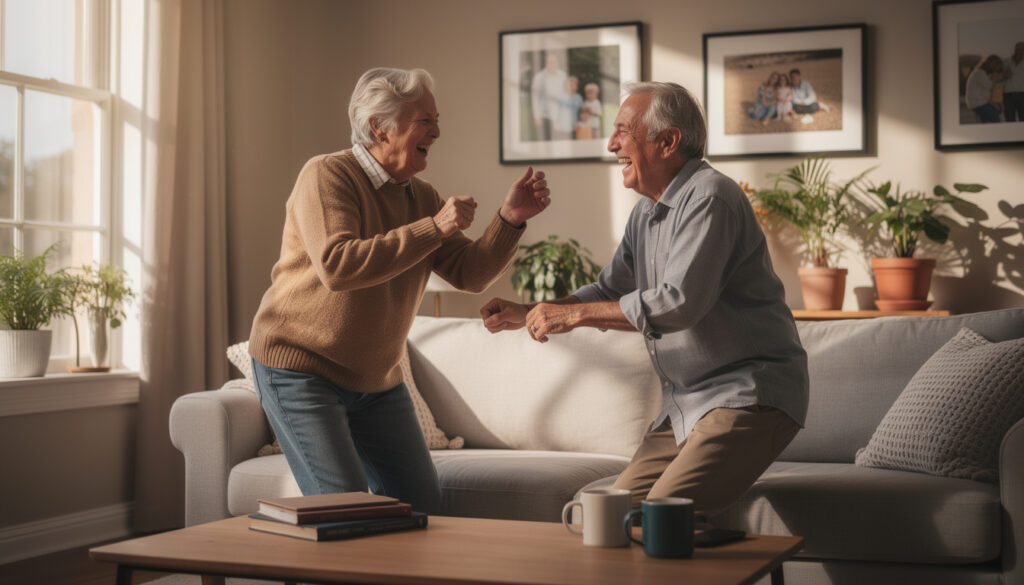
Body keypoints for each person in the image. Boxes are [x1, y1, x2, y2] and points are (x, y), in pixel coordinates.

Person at [480, 81, 808, 522]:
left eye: (622, 131)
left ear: (668, 141)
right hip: (687, 403)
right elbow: (609, 290)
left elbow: (679, 303)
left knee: (656, 520)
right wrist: (529, 312)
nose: (611, 144)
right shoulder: (645, 213)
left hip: (747, 396)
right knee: (602, 519)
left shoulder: (711, 197)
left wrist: (573, 315)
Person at [248, 67, 551, 515]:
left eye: (436, 120)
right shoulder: (327, 175)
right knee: (344, 512)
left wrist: (510, 219)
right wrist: (435, 227)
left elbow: (469, 274)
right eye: (425, 120)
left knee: (422, 510)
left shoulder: (421, 197)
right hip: (301, 370)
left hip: (376, 381)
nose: (437, 131)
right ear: (380, 127)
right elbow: (338, 264)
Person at [531, 52, 568, 140]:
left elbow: (565, 94)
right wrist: (537, 116)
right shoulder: (539, 77)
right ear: (546, 63)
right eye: (549, 62)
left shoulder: (562, 75)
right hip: (545, 115)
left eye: (554, 62)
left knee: (561, 140)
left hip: (560, 114)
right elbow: (535, 98)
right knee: (547, 140)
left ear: (557, 63)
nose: (552, 64)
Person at [965, 55, 1004, 123]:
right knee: (996, 119)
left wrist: (999, 104)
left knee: (990, 119)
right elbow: (991, 86)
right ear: (990, 63)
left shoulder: (985, 74)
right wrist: (995, 78)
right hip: (977, 103)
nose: (995, 68)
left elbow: (991, 92)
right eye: (995, 65)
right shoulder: (980, 73)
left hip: (981, 102)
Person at [1003, 42, 1024, 122]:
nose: (1019, 51)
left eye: (1022, 49)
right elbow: (998, 76)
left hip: (1022, 95)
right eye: (1018, 49)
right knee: (1009, 119)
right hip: (1008, 95)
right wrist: (1005, 75)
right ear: (1014, 49)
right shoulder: (1006, 61)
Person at [558, 76, 584, 140]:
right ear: (565, 87)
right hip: (563, 126)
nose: (571, 87)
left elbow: (581, 112)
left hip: (575, 126)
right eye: (569, 85)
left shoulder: (578, 98)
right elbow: (557, 112)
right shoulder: (561, 97)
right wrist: (556, 123)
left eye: (573, 85)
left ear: (577, 87)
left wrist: (580, 123)